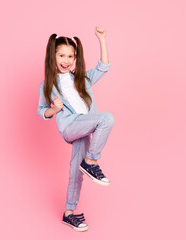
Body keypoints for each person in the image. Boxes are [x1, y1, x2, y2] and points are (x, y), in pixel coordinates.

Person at [37, 27, 114, 232]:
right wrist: (54, 109)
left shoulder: (83, 79)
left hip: (84, 128)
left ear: (75, 58)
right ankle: (91, 161)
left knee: (75, 170)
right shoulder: (48, 85)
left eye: (70, 56)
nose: (66, 60)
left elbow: (104, 66)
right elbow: (41, 111)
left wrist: (102, 39)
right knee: (106, 119)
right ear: (52, 56)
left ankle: (69, 214)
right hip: (71, 127)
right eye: (62, 55)